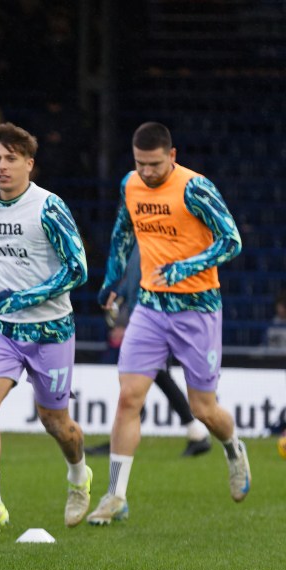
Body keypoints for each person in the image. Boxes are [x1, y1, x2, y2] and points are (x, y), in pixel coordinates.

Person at [88, 122, 248, 526]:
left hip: (197, 308)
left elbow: (231, 240)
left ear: (172, 156)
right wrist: (111, 282)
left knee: (204, 409)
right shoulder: (131, 184)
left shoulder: (195, 188)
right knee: (129, 397)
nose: (147, 172)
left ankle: (232, 447)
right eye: (140, 163)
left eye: (155, 165)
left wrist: (185, 267)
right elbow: (123, 234)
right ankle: (115, 496)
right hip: (150, 306)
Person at [0, 123, 90, 532]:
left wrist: (27, 297)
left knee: (56, 423)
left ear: (29, 165)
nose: (1, 166)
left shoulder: (48, 207)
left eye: (11, 159)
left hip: (50, 330)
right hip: (1, 329)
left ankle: (78, 475)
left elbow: (78, 269)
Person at [88, 245, 212, 457]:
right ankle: (195, 433)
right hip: (144, 321)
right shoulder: (139, 242)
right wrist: (120, 315)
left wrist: (125, 322)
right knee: (155, 378)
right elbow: (130, 285)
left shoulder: (152, 240)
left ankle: (195, 432)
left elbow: (142, 285)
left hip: (154, 321)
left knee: (152, 377)